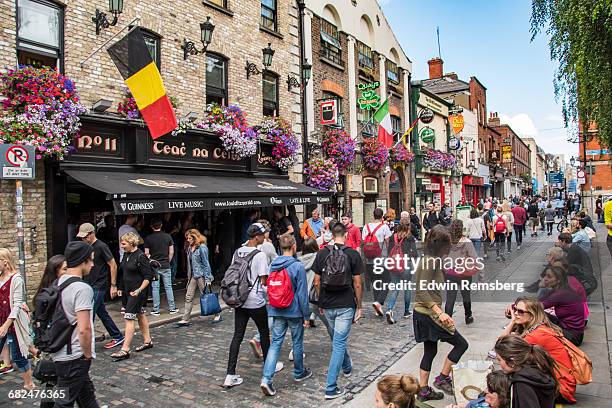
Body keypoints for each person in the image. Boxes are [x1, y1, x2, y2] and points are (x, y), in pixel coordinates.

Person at [413, 225, 469, 402]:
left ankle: (423, 391)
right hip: (429, 314)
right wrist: (440, 312)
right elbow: (421, 290)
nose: (450, 247)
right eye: (448, 244)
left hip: (423, 313)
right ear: (440, 244)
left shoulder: (431, 259)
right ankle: (442, 378)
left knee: (430, 351)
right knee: (461, 344)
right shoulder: (430, 261)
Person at [312, 222, 364, 399]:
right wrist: (359, 305)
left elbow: (316, 282)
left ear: (331, 235)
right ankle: (331, 387)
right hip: (345, 304)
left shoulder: (322, 253)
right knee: (339, 343)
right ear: (346, 235)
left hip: (327, 304)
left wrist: (320, 301)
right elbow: (357, 283)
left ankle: (347, 367)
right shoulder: (352, 254)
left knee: (337, 340)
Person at [224, 223, 278, 388]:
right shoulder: (260, 255)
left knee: (237, 336)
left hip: (239, 299)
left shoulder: (237, 252)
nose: (264, 237)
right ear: (256, 237)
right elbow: (263, 280)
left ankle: (230, 374)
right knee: (264, 334)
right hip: (255, 300)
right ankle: (269, 368)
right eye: (262, 235)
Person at [260, 234, 312, 396]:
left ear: (280, 248)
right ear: (294, 246)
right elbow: (303, 294)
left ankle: (266, 379)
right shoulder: (297, 266)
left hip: (276, 308)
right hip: (294, 310)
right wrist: (306, 316)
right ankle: (298, 372)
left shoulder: (274, 264)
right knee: (297, 342)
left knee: (275, 344)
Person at [499, 297, 577, 403]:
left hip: (560, 389)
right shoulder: (537, 327)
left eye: (521, 311)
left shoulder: (536, 335)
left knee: (511, 373)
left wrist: (513, 321)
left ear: (532, 315)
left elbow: (502, 345)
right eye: (515, 309)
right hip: (557, 383)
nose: (516, 313)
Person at [52, 241, 99, 407]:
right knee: (64, 403)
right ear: (82, 261)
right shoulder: (81, 288)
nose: (93, 265)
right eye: (91, 260)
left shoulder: (58, 283)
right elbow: (84, 329)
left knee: (87, 399)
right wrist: (86, 355)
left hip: (60, 352)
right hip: (75, 355)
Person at [76, 223, 125, 349]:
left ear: (92, 234)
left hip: (99, 285)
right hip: (89, 284)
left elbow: (113, 265)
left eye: (85, 237)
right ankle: (117, 336)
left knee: (89, 313)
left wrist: (113, 285)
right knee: (101, 312)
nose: (83, 239)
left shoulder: (101, 246)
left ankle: (87, 344)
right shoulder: (87, 247)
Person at [110, 232, 154, 361]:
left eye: (124, 243)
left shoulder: (140, 256)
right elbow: (123, 273)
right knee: (140, 314)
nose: (121, 246)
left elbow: (148, 276)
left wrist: (139, 290)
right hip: (127, 292)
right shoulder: (126, 255)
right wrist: (120, 288)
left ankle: (125, 349)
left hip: (137, 292)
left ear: (131, 243)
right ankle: (147, 341)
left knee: (129, 317)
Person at [0, 248, 34, 390]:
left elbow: (17, 305)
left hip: (13, 323)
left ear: (5, 262)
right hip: (1, 321)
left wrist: (6, 325)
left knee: (18, 356)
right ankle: (34, 349)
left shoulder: (16, 279)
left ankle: (29, 383)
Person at [494, 335, 558, 408]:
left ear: (512, 361)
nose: (499, 363)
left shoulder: (522, 385)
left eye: (499, 360)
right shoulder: (537, 370)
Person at [176, 229, 219, 326]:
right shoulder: (190, 248)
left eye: (190, 238)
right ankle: (185, 319)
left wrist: (208, 279)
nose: (188, 240)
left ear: (195, 238)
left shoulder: (202, 248)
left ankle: (217, 313)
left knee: (207, 295)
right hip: (193, 276)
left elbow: (206, 263)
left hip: (201, 275)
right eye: (187, 238)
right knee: (188, 296)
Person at [538, 263, 585, 346]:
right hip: (572, 331)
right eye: (545, 276)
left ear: (558, 280)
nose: (545, 279)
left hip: (572, 336)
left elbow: (535, 307)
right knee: (541, 315)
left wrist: (515, 308)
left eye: (549, 276)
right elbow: (537, 301)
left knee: (537, 315)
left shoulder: (561, 294)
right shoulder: (560, 289)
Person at [444, 220, 478, 324]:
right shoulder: (466, 242)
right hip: (464, 273)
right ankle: (468, 316)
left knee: (450, 297)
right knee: (466, 295)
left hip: (450, 273)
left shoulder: (447, 241)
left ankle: (447, 320)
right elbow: (474, 257)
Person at [385, 222, 417, 324]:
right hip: (405, 264)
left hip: (394, 264)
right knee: (407, 288)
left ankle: (389, 309)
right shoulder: (409, 238)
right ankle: (406, 311)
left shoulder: (392, 237)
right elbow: (415, 253)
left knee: (395, 288)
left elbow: (389, 251)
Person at [144, 219, 178, 316]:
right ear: (161, 225)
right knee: (168, 287)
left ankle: (156, 309)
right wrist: (168, 260)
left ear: (151, 226)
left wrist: (152, 261)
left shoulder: (148, 238)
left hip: (154, 266)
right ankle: (172, 308)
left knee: (155, 288)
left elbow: (146, 253)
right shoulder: (168, 236)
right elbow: (171, 252)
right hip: (166, 265)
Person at [362, 208, 392, 315]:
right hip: (381, 258)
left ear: (373, 215)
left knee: (375, 282)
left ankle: (377, 305)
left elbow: (363, 241)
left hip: (369, 259)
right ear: (382, 216)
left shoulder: (366, 227)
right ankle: (379, 301)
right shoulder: (384, 227)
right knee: (387, 280)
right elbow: (388, 242)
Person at [445, 370, 511, 408]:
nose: (485, 390)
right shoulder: (486, 399)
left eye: (490, 390)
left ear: (502, 395)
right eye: (487, 387)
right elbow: (472, 403)